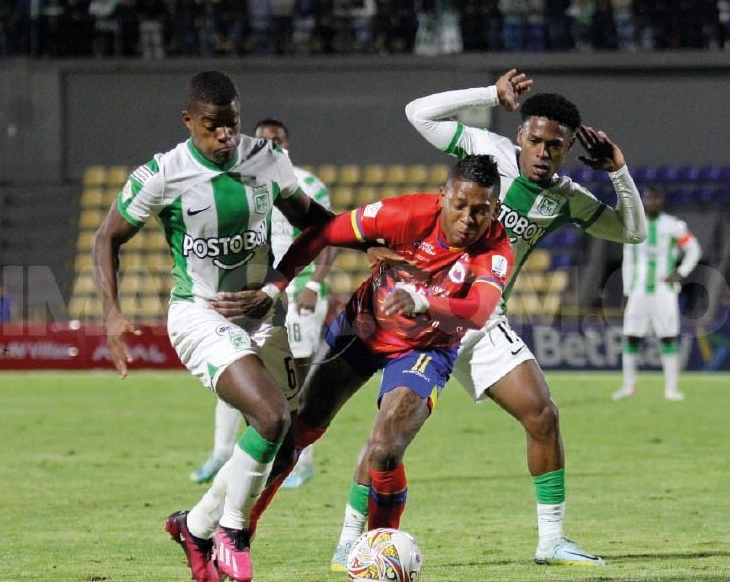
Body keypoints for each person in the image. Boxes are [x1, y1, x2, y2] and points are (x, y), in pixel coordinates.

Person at [326, 68, 648, 569]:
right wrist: (489, 95)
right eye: (536, 139)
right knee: (389, 430)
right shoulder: (486, 150)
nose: (543, 151)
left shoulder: (564, 197)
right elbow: (417, 112)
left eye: (555, 146)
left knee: (542, 413)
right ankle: (350, 539)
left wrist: (617, 171)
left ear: (566, 151)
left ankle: (551, 540)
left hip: (480, 321)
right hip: (423, 316)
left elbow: (633, 232)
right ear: (520, 133)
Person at [92, 70, 333, 582]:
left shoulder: (266, 158)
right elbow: (106, 238)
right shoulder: (162, 173)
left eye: (232, 124)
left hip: (264, 315)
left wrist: (367, 240)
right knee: (269, 417)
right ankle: (231, 531)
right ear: (188, 122)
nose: (225, 136)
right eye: (212, 126)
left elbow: (315, 221)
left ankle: (194, 526)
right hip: (199, 314)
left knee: (287, 439)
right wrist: (112, 315)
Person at [247, 154, 513, 539]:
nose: (469, 219)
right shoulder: (403, 215)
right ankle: (242, 525)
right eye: (460, 205)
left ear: (494, 211)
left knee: (386, 449)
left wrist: (422, 302)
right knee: (298, 429)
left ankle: (378, 552)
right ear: (443, 197)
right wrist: (276, 285)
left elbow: (478, 311)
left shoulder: (495, 248)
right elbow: (324, 233)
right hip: (362, 329)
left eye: (481, 211)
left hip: (427, 348)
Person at [191, 118, 334, 489]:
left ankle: (300, 461)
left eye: (278, 139)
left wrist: (315, 287)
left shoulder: (308, 184)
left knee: (296, 377)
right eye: (265, 140)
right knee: (235, 368)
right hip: (254, 294)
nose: (272, 145)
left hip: (298, 290)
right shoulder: (244, 181)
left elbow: (327, 236)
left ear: (287, 142)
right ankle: (221, 452)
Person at [612, 185, 702, 401]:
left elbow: (694, 249)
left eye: (654, 198)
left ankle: (671, 389)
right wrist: (626, 290)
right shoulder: (633, 226)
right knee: (631, 337)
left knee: (668, 337)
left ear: (660, 200)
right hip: (639, 290)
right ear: (643, 201)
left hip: (664, 290)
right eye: (648, 198)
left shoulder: (672, 226)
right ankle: (628, 386)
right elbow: (629, 261)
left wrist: (681, 272)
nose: (651, 202)